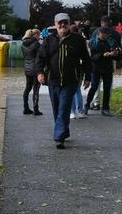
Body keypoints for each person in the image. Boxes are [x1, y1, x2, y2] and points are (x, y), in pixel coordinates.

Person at [36, 13, 91, 149]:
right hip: (53, 80)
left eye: (65, 22)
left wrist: (88, 77)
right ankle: (63, 132)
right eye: (60, 23)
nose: (62, 25)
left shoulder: (77, 40)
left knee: (64, 107)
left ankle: (59, 138)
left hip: (70, 81)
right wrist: (40, 72)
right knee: (57, 109)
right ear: (55, 24)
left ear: (69, 23)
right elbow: (41, 58)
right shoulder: (49, 40)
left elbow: (86, 59)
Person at [85, 16, 121, 116]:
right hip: (97, 66)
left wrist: (115, 53)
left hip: (106, 66)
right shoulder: (94, 41)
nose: (108, 36)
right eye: (106, 35)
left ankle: (103, 107)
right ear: (100, 33)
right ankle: (88, 105)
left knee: (105, 87)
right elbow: (92, 56)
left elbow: (117, 50)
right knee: (96, 87)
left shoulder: (110, 39)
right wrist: (104, 54)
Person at [68, 21, 87, 119]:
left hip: (70, 69)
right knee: (77, 90)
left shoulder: (68, 40)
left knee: (71, 91)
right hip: (80, 69)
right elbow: (86, 57)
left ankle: (72, 112)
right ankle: (79, 111)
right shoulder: (82, 41)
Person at [21, 28, 42, 115]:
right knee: (36, 89)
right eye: (39, 35)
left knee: (27, 88)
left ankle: (26, 108)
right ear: (35, 35)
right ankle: (35, 109)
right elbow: (40, 56)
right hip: (35, 69)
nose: (40, 37)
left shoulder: (23, 44)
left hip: (27, 68)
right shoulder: (36, 44)